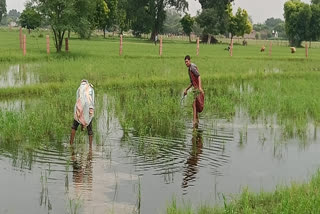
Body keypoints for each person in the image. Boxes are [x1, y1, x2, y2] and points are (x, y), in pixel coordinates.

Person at [70, 79, 95, 145]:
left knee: (74, 126)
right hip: (89, 108)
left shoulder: (79, 89)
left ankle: (71, 144)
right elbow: (92, 101)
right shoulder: (91, 89)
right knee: (90, 129)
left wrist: (78, 113)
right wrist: (91, 111)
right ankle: (90, 148)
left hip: (79, 108)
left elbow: (77, 101)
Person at [183, 55, 204, 128]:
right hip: (195, 89)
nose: (186, 63)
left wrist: (200, 87)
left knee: (194, 105)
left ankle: (194, 122)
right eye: (185, 62)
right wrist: (186, 89)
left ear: (189, 61)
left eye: (187, 61)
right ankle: (196, 121)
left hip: (198, 89)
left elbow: (199, 76)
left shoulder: (192, 68)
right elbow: (192, 82)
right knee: (195, 106)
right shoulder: (189, 70)